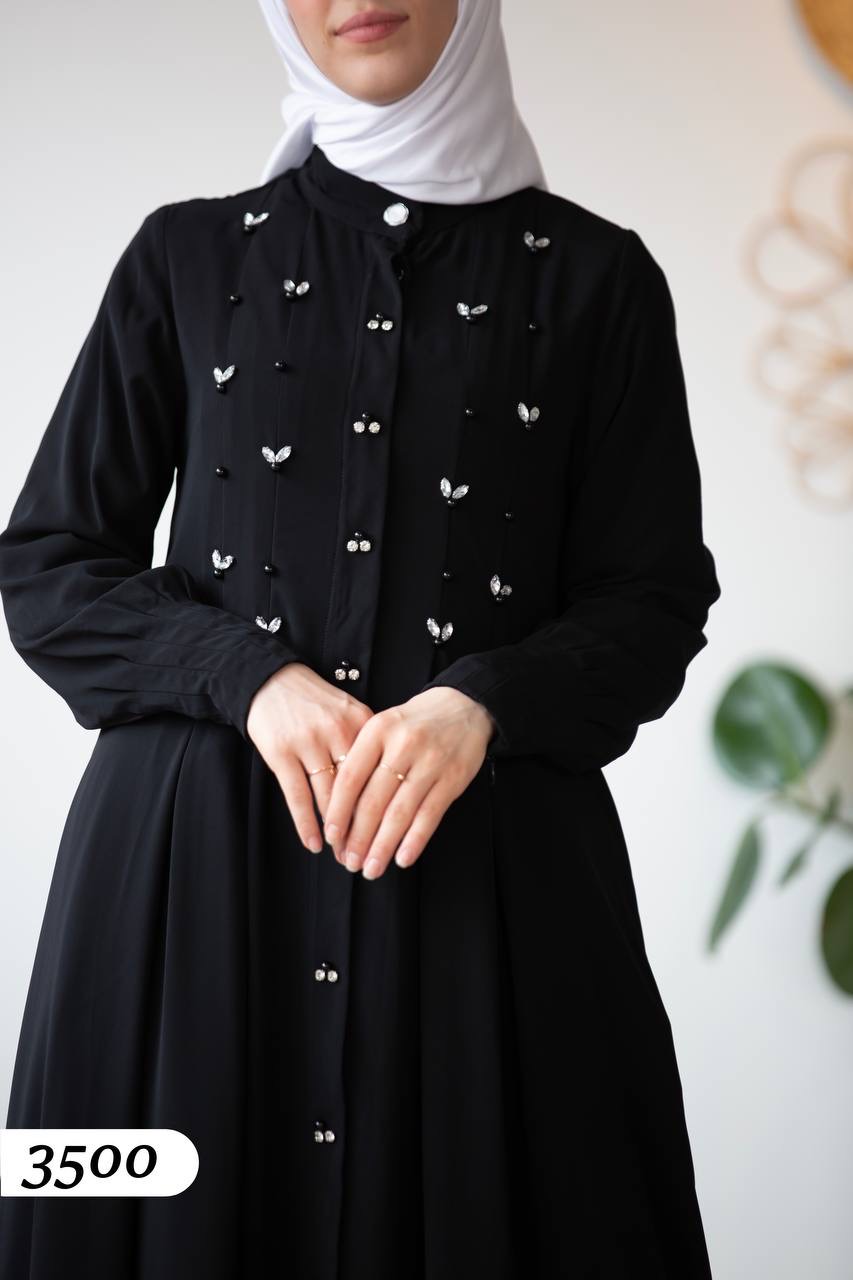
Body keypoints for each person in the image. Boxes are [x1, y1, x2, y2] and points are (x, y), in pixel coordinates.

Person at [0, 1, 721, 1276]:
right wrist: (245, 676)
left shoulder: (599, 281)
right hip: (189, 904)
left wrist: (482, 701)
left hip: (492, 909)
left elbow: (652, 597)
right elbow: (50, 561)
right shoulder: (183, 259)